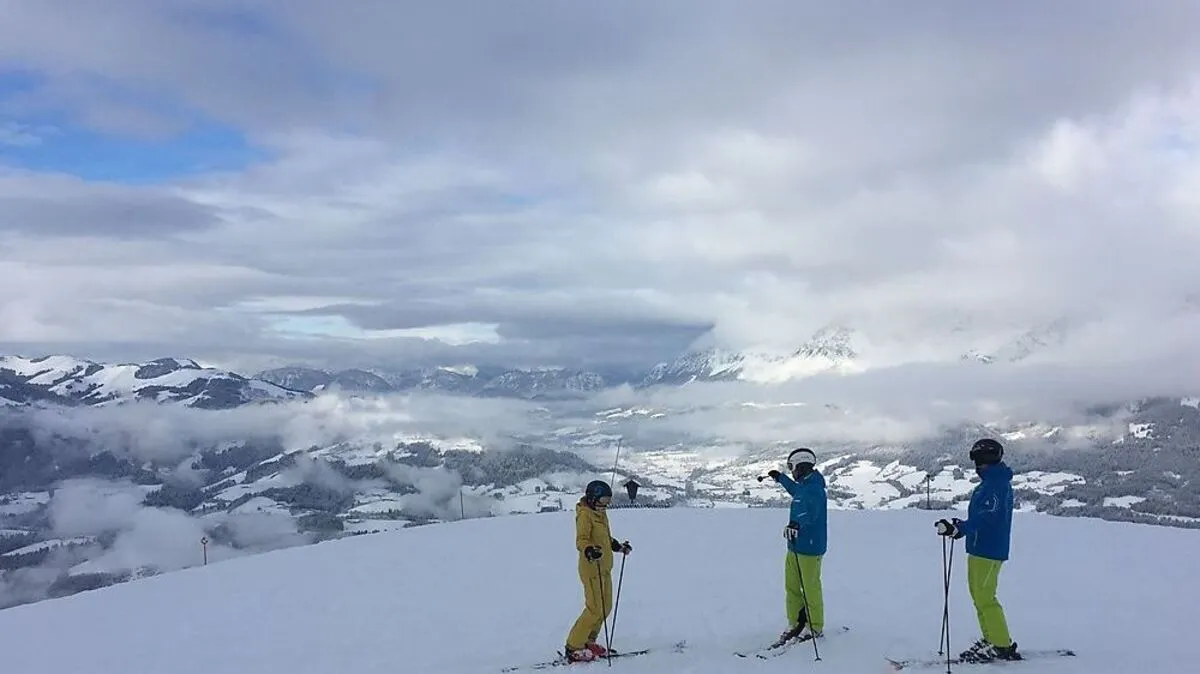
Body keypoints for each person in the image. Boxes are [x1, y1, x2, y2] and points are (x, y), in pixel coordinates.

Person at [935, 438, 1020, 663]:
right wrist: (960, 527)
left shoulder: (996, 485)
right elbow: (981, 517)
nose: (977, 466)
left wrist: (961, 528)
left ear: (987, 459)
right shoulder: (991, 482)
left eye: (979, 460)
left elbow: (987, 518)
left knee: (985, 597)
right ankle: (990, 638)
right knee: (979, 595)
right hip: (979, 547)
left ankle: (1001, 645)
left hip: (989, 550)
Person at [564, 479, 632, 663]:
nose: (605, 505)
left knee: (605, 607)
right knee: (594, 609)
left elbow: (605, 538)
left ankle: (589, 641)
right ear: (593, 499)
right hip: (591, 568)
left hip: (605, 567)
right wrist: (589, 550)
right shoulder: (585, 515)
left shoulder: (600, 514)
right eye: (602, 501)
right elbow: (582, 539)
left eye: (607, 501)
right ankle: (573, 646)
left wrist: (617, 547)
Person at [766, 447, 827, 642]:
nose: (792, 471)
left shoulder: (815, 489)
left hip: (810, 547)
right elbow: (796, 491)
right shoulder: (804, 484)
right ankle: (796, 622)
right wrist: (781, 478)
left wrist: (796, 523)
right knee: (791, 585)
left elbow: (811, 512)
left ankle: (815, 626)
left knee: (810, 587)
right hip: (794, 544)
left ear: (801, 466)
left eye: (792, 468)